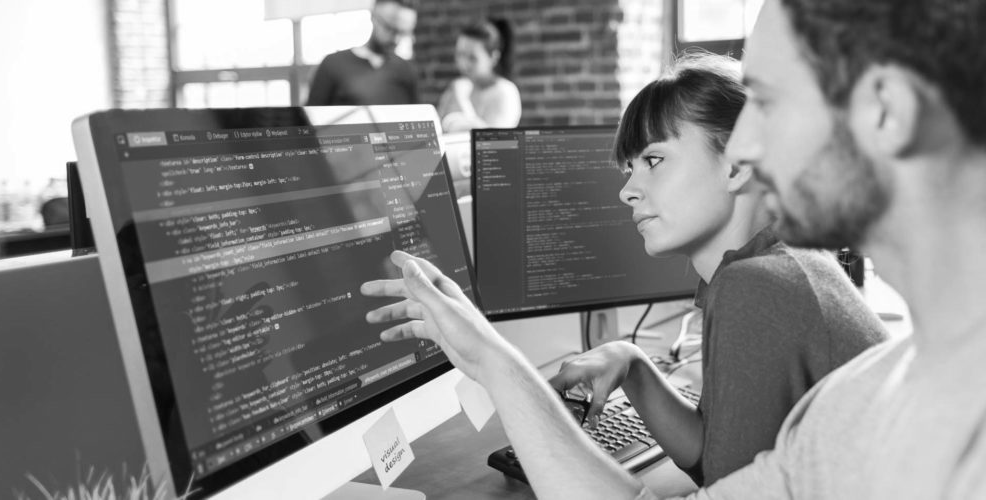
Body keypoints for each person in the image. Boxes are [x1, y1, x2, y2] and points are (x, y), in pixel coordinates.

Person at [361, 0, 986, 497]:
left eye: (767, 103)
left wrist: (498, 363)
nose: (745, 150)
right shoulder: (865, 398)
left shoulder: (766, 289)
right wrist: (620, 363)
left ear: (887, 110)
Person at [547, 53, 886, 487]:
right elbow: (716, 460)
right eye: (629, 168)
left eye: (653, 160)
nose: (627, 191)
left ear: (738, 164)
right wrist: (632, 364)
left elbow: (723, 489)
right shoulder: (771, 265)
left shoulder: (757, 287)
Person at [304, 0, 419, 106]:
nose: (396, 39)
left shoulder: (406, 70)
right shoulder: (332, 64)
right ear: (373, 17)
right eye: (390, 29)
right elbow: (310, 120)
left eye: (403, 33)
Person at [437, 18, 521, 132]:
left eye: (472, 58)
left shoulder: (505, 92)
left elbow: (492, 141)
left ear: (493, 57)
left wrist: (462, 99)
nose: (463, 64)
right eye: (460, 54)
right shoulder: (455, 89)